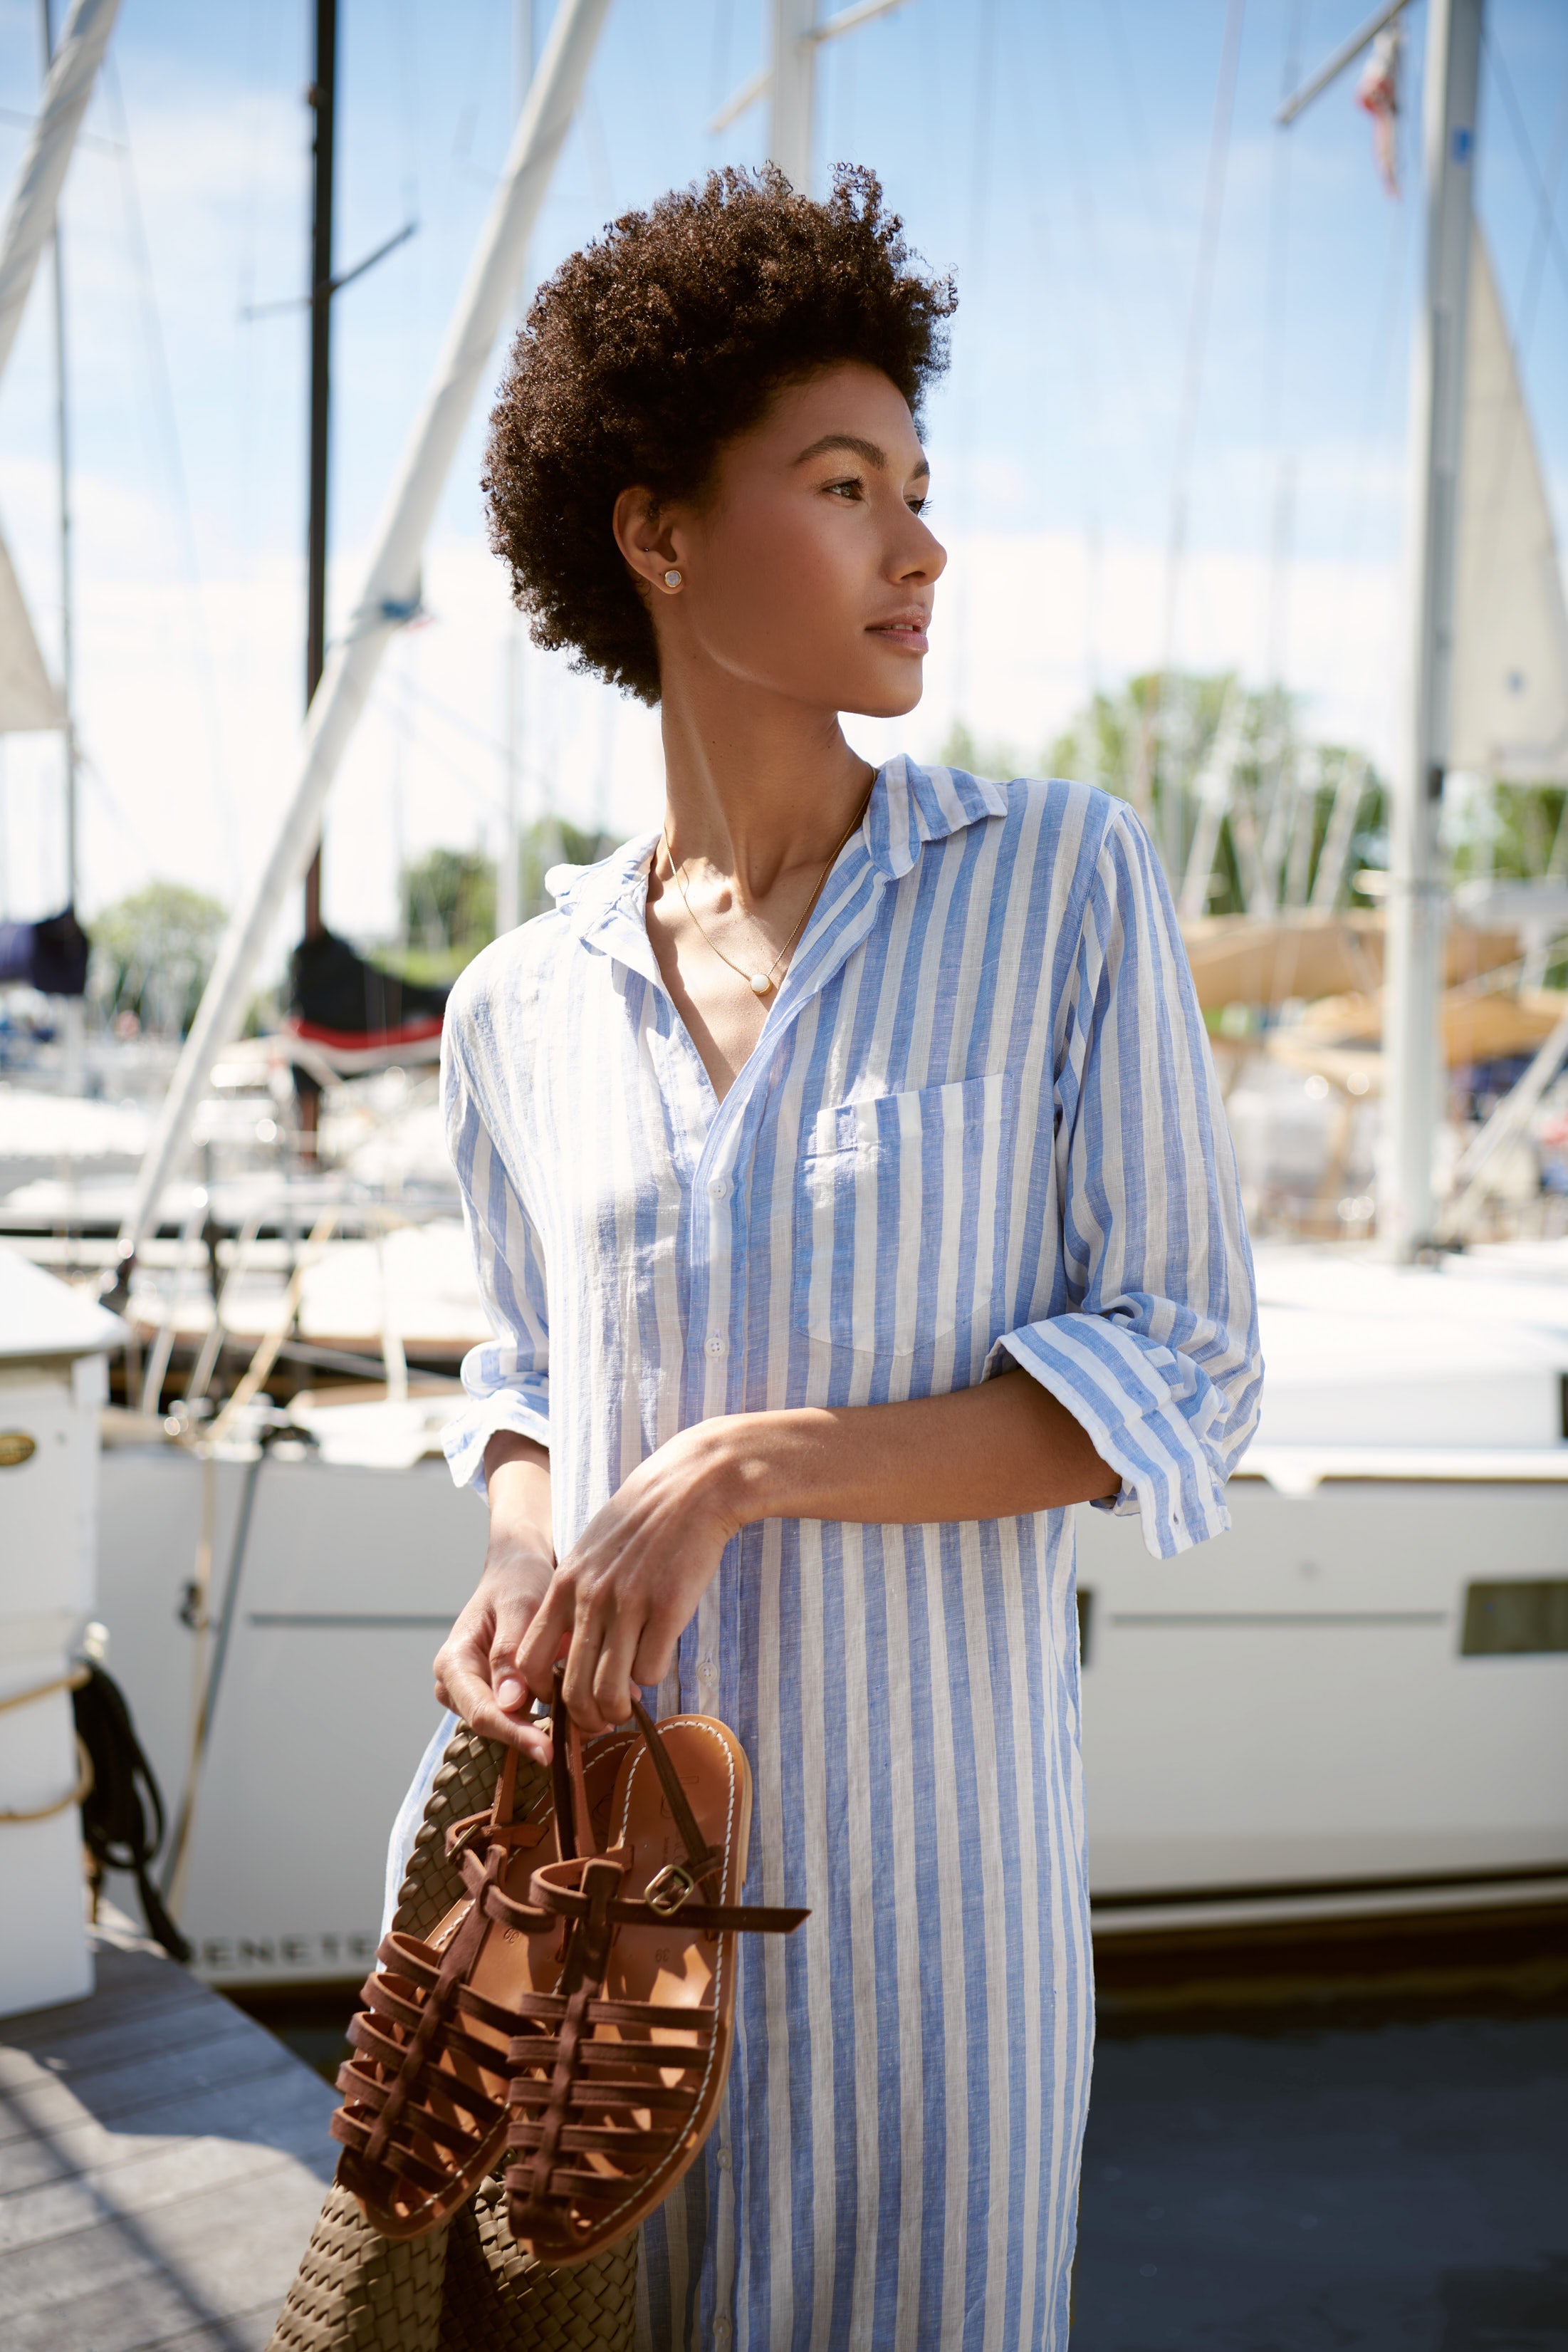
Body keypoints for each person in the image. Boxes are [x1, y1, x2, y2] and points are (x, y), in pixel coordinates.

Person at [397, 164, 1261, 2352]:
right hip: (585, 1941)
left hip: (928, 1937)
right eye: (844, 482)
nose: (920, 543)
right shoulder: (518, 996)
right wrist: (522, 1539)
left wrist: (739, 1466)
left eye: (917, 485)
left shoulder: (1057, 878)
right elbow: (521, 1350)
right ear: (657, 531)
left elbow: (1183, 1362)